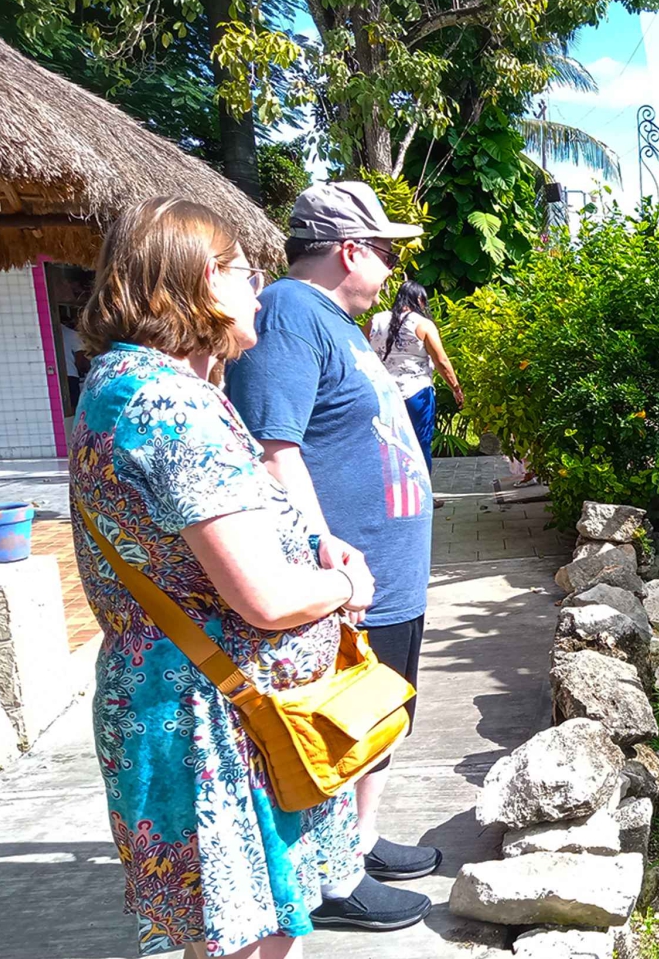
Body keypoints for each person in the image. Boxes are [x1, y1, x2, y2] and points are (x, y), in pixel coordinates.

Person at [67, 197, 417, 959]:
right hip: (210, 726)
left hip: (200, 703)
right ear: (199, 280)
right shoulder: (167, 402)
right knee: (246, 941)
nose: (257, 289)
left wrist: (314, 546)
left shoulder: (127, 383)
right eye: (242, 270)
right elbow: (262, 597)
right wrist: (345, 587)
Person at [224, 181, 440, 929]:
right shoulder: (289, 312)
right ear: (350, 250)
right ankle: (332, 875)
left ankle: (363, 839)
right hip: (345, 575)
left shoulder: (343, 322)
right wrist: (323, 553)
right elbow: (273, 445)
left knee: (379, 712)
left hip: (388, 567)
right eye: (384, 250)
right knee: (337, 720)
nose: (390, 265)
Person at [364, 279, 464, 489]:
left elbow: (360, 353)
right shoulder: (423, 324)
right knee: (420, 444)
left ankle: (390, 495)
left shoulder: (375, 320)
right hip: (417, 393)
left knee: (386, 446)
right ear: (419, 299)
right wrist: (456, 388)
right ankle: (422, 496)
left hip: (382, 393)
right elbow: (442, 361)